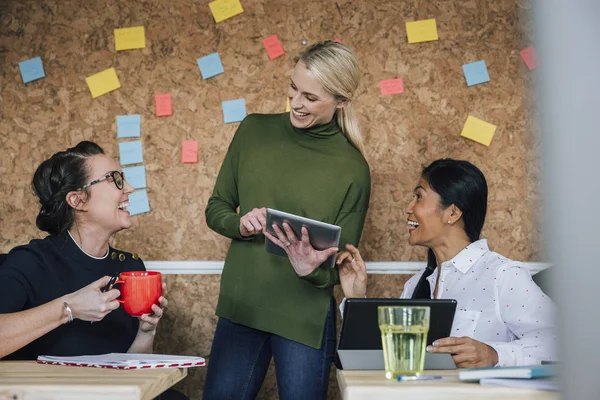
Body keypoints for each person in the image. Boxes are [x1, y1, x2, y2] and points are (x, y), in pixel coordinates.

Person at [203, 41, 371, 399]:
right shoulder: (253, 131)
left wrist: (311, 268)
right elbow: (216, 207)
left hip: (304, 319)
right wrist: (240, 224)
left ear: (341, 101)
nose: (296, 103)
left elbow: (338, 267)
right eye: (293, 88)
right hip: (242, 305)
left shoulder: (353, 169)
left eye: (311, 97)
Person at [337, 159, 556, 368]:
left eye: (418, 197)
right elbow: (386, 358)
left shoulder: (503, 276)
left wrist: (494, 354)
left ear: (452, 212)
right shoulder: (415, 286)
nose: (408, 208)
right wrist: (356, 299)